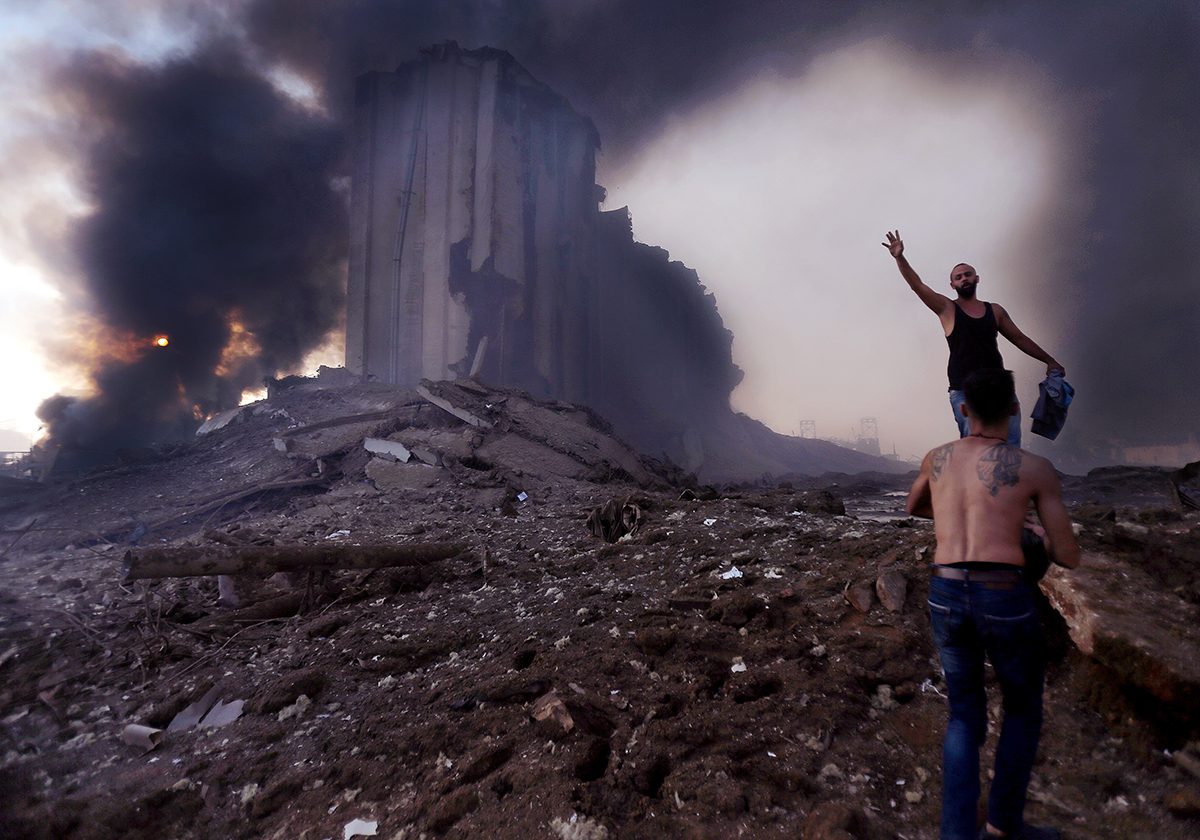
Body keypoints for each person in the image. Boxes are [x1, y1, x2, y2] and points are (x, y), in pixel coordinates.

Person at [906, 368, 1080, 840]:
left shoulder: (936, 458)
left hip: (944, 590)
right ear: (1015, 409)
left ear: (963, 410)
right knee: (1022, 708)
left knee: (964, 712)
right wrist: (1030, 530)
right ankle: (1003, 827)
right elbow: (1068, 555)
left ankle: (956, 834)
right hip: (1002, 594)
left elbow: (913, 507)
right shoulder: (1034, 468)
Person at [883, 230, 1064, 446]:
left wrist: (1049, 360)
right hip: (964, 389)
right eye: (958, 277)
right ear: (953, 285)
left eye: (967, 274)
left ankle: (1007, 480)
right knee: (974, 447)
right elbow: (917, 286)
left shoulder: (994, 311)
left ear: (976, 278)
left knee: (1011, 445)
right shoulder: (947, 309)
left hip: (999, 388)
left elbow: (1020, 338)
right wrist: (900, 257)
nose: (964, 279)